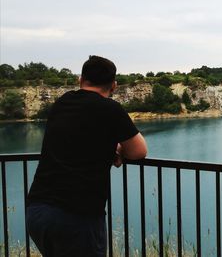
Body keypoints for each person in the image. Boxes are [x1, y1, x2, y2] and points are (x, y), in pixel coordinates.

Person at [26, 55, 147, 256]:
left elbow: (80, 138)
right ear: (114, 85)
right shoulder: (109, 109)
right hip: (77, 216)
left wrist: (110, 148)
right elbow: (139, 151)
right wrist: (116, 149)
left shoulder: (62, 102)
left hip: (38, 211)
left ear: (80, 80)